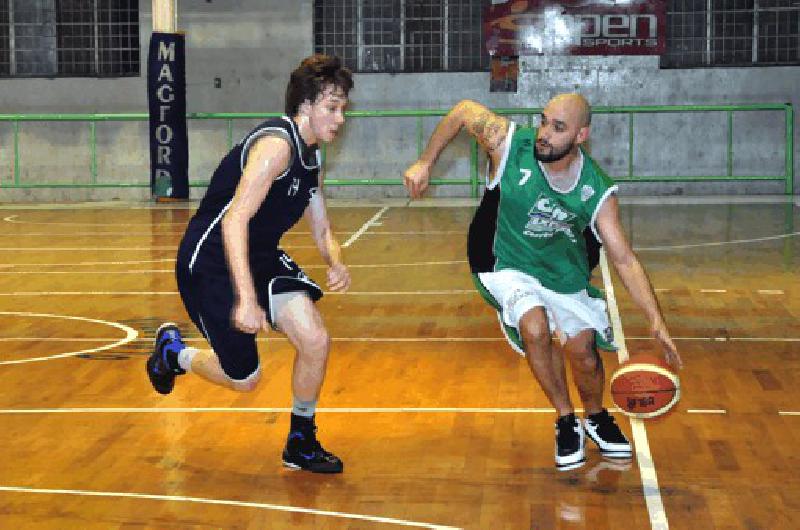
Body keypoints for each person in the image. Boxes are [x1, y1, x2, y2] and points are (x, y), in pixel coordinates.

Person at [404, 94, 682, 471]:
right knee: (535, 326)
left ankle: (596, 418)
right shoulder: (510, 145)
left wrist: (656, 320)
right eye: (544, 121)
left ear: (581, 135)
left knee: (583, 351)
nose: (544, 134)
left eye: (558, 127)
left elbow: (623, 258)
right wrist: (425, 161)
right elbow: (463, 111)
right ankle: (566, 419)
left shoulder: (595, 188)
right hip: (505, 261)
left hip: (562, 268)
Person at [146, 54, 353, 474]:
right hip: (211, 259)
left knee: (315, 339)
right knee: (245, 379)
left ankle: (300, 441)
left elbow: (321, 224)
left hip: (258, 254)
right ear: (306, 107)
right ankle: (174, 353)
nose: (340, 118)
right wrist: (245, 297)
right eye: (332, 108)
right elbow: (235, 220)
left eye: (343, 109)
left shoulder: (312, 157)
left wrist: (335, 259)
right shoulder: (275, 147)